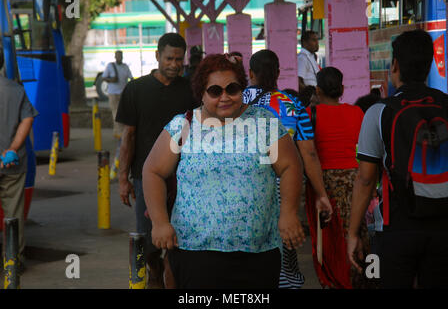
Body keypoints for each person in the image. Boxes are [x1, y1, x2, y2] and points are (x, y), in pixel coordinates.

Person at [142, 54, 306, 289]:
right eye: (215, 91)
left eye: (232, 88)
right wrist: (160, 223)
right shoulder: (183, 126)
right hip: (195, 251)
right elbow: (153, 171)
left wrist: (289, 213)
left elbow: (291, 166)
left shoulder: (264, 122)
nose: (225, 97)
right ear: (201, 92)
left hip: (258, 252)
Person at [348, 29, 448, 289]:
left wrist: (353, 232)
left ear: (394, 65)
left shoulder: (380, 111)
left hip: (395, 231)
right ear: (428, 66)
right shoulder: (446, 105)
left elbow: (365, 179)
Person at [242, 49, 332, 289]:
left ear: (250, 73)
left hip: (244, 185)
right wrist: (321, 193)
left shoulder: (235, 102)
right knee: (285, 245)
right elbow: (309, 154)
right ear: (279, 73)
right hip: (285, 186)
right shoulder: (293, 105)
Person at [116, 33, 197, 288]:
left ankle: (172, 274)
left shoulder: (191, 90)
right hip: (145, 176)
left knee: (181, 234)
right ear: (157, 56)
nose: (174, 64)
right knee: (148, 236)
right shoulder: (135, 89)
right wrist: (123, 180)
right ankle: (153, 271)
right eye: (169, 58)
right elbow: (128, 136)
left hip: (185, 176)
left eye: (179, 60)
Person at [305, 67, 371, 289]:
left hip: (326, 185)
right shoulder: (357, 113)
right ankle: (365, 278)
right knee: (360, 233)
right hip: (357, 180)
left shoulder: (308, 114)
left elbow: (307, 153)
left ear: (317, 89)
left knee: (333, 241)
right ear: (342, 89)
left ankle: (337, 281)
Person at [0, 49, 38, 273]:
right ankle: (13, 259)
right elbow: (27, 119)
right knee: (13, 212)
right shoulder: (15, 90)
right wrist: (12, 148)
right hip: (11, 161)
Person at [102, 50, 133, 139]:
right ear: (115, 57)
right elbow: (104, 77)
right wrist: (111, 80)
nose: (119, 57)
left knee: (123, 113)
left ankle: (119, 132)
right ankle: (119, 133)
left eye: (121, 56)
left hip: (123, 93)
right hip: (113, 93)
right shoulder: (110, 66)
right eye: (118, 56)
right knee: (115, 113)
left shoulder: (125, 67)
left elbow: (131, 78)